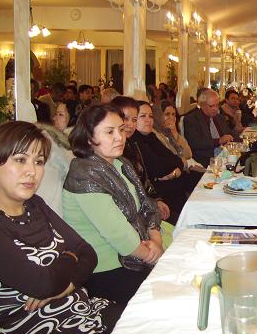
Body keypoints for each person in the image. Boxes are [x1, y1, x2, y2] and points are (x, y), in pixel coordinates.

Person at [0, 121, 122, 334]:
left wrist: (65, 287)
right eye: (20, 160)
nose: (32, 172)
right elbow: (43, 284)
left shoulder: (34, 205)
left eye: (38, 162)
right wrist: (70, 256)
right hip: (38, 332)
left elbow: (89, 254)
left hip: (84, 309)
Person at [63, 104, 163, 305]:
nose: (120, 137)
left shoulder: (120, 163)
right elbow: (117, 234)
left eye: (121, 129)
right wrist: (153, 255)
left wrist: (156, 240)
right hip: (106, 267)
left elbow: (146, 204)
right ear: (89, 138)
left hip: (139, 249)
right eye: (109, 132)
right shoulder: (84, 173)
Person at [110, 96, 171, 222]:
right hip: (132, 215)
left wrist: (157, 200)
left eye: (134, 120)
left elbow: (144, 180)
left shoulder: (132, 144)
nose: (130, 124)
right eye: (125, 119)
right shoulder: (112, 150)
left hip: (145, 206)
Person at [130, 101, 191, 225]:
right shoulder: (134, 141)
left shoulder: (151, 137)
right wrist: (174, 168)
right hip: (158, 195)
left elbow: (177, 159)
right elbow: (158, 168)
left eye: (150, 116)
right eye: (143, 116)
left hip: (172, 189)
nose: (148, 120)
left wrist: (173, 173)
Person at [184, 89, 238, 167]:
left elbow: (229, 132)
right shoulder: (192, 119)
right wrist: (218, 141)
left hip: (225, 153)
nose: (216, 109)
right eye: (212, 106)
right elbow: (195, 143)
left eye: (217, 105)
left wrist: (244, 140)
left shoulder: (219, 117)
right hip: (207, 158)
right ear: (202, 105)